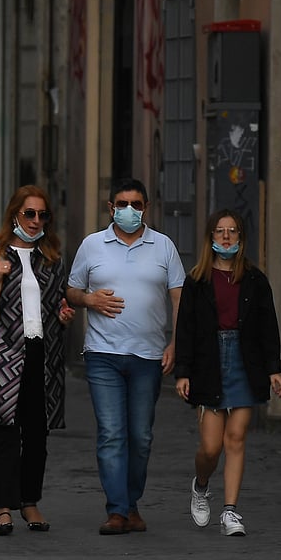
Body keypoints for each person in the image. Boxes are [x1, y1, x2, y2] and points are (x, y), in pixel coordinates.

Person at [66, 178, 185, 535]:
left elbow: (179, 299)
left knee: (141, 436)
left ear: (146, 207)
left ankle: (132, 503)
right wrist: (89, 299)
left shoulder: (163, 246)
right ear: (110, 207)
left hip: (148, 356)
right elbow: (71, 291)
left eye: (136, 204)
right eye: (122, 204)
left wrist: (176, 344)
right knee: (111, 433)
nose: (129, 210)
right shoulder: (92, 245)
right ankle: (117, 510)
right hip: (103, 354)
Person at [0, 186, 75, 535]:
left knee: (37, 433)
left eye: (42, 215)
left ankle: (30, 501)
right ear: (14, 214)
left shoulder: (51, 258)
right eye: (29, 213)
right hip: (5, 355)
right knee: (6, 432)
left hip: (43, 355)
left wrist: (63, 315)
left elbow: (57, 303)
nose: (35, 221)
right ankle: (3, 507)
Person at [174, 209, 281, 536]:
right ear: (211, 237)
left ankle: (230, 512)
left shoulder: (255, 279)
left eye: (232, 231)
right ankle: (201, 484)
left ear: (240, 237)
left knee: (236, 438)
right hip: (209, 361)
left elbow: (268, 327)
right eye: (220, 231)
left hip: (245, 362)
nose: (226, 237)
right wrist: (183, 372)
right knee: (211, 447)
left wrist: (274, 369)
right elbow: (186, 328)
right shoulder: (197, 280)